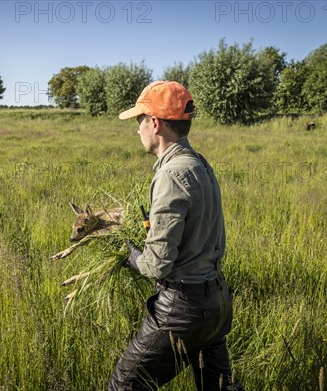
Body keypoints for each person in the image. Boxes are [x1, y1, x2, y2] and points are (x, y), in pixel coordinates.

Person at [109, 81, 243, 391]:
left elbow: (157, 265)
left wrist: (130, 254)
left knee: (124, 386)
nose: (137, 130)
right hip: (217, 303)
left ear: (154, 123)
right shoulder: (200, 164)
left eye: (139, 121)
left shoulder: (171, 174)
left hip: (183, 310)